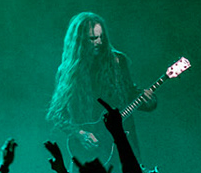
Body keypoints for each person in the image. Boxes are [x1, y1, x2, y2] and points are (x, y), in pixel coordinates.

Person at [46, 11, 152, 160]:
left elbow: (129, 94)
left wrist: (148, 101)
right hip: (90, 151)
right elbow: (58, 114)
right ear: (80, 41)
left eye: (101, 37)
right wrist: (80, 133)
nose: (99, 42)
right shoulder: (67, 71)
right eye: (93, 38)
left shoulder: (117, 62)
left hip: (122, 142)